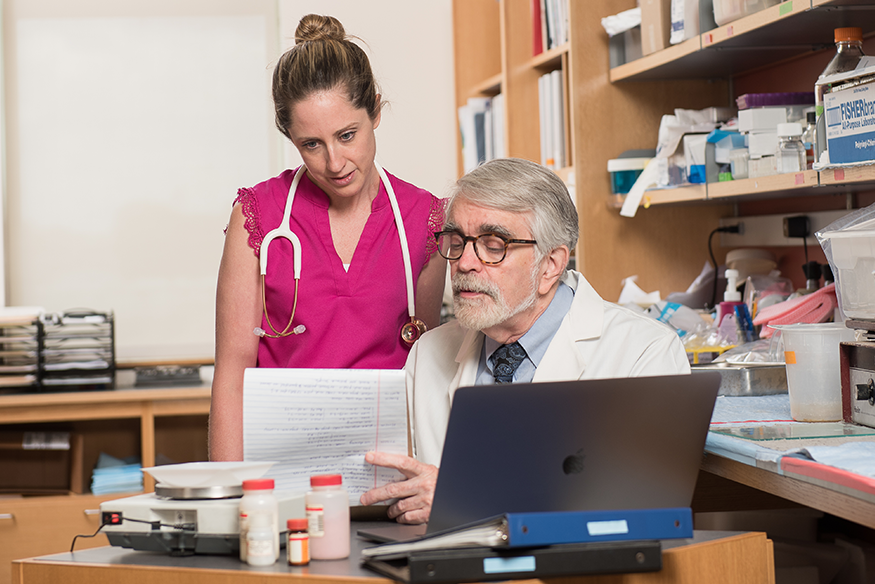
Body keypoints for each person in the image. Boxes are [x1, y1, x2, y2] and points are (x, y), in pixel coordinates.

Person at [360, 157, 690, 524]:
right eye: (457, 241)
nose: (465, 262)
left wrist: (465, 494)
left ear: (550, 265)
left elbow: (644, 506)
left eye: (493, 244)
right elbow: (397, 487)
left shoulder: (643, 352)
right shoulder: (428, 353)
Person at [209, 14, 447, 461]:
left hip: (388, 466)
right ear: (291, 138)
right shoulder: (259, 216)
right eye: (311, 144)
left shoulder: (424, 220)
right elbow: (233, 372)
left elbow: (425, 365)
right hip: (280, 465)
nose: (335, 162)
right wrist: (232, 499)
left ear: (375, 111)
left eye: (347, 135)